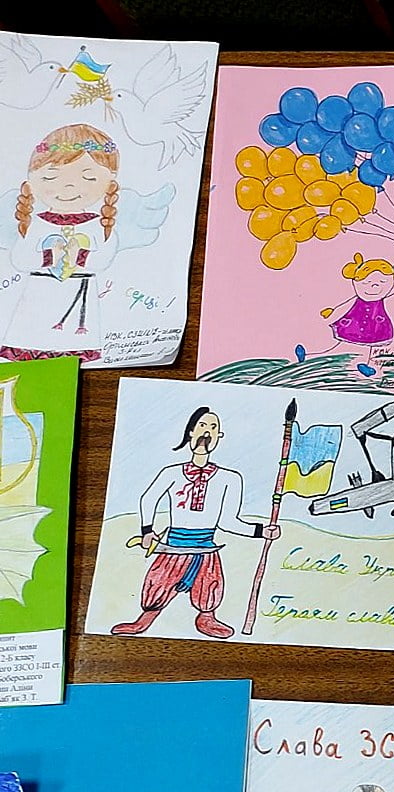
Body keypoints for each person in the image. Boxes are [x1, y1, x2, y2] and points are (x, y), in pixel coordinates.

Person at [111, 406, 280, 639]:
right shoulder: (172, 473)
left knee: (209, 584)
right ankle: (144, 620)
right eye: (202, 425)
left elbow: (228, 521)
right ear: (191, 431)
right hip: (173, 545)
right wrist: (147, 530)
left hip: (206, 546)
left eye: (213, 427)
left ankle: (207, 618)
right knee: (158, 582)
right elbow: (148, 499)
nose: (207, 432)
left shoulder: (230, 479)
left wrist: (261, 531)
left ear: (219, 436)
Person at [2, 123, 122, 361]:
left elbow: (103, 259)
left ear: (109, 183)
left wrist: (80, 255)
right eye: (50, 177)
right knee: (33, 331)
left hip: (79, 291)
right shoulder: (37, 223)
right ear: (32, 181)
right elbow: (20, 258)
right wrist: (50, 255)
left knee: (72, 338)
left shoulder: (98, 225)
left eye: (88, 178)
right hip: (40, 291)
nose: (68, 186)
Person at [295, 252, 394, 377]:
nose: (374, 286)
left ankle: (366, 365)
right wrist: (332, 310)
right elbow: (345, 303)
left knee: (368, 346)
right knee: (337, 345)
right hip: (355, 322)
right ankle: (308, 355)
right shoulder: (358, 298)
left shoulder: (381, 296)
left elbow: (393, 291)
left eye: (382, 281)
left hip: (375, 324)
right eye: (366, 282)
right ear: (355, 282)